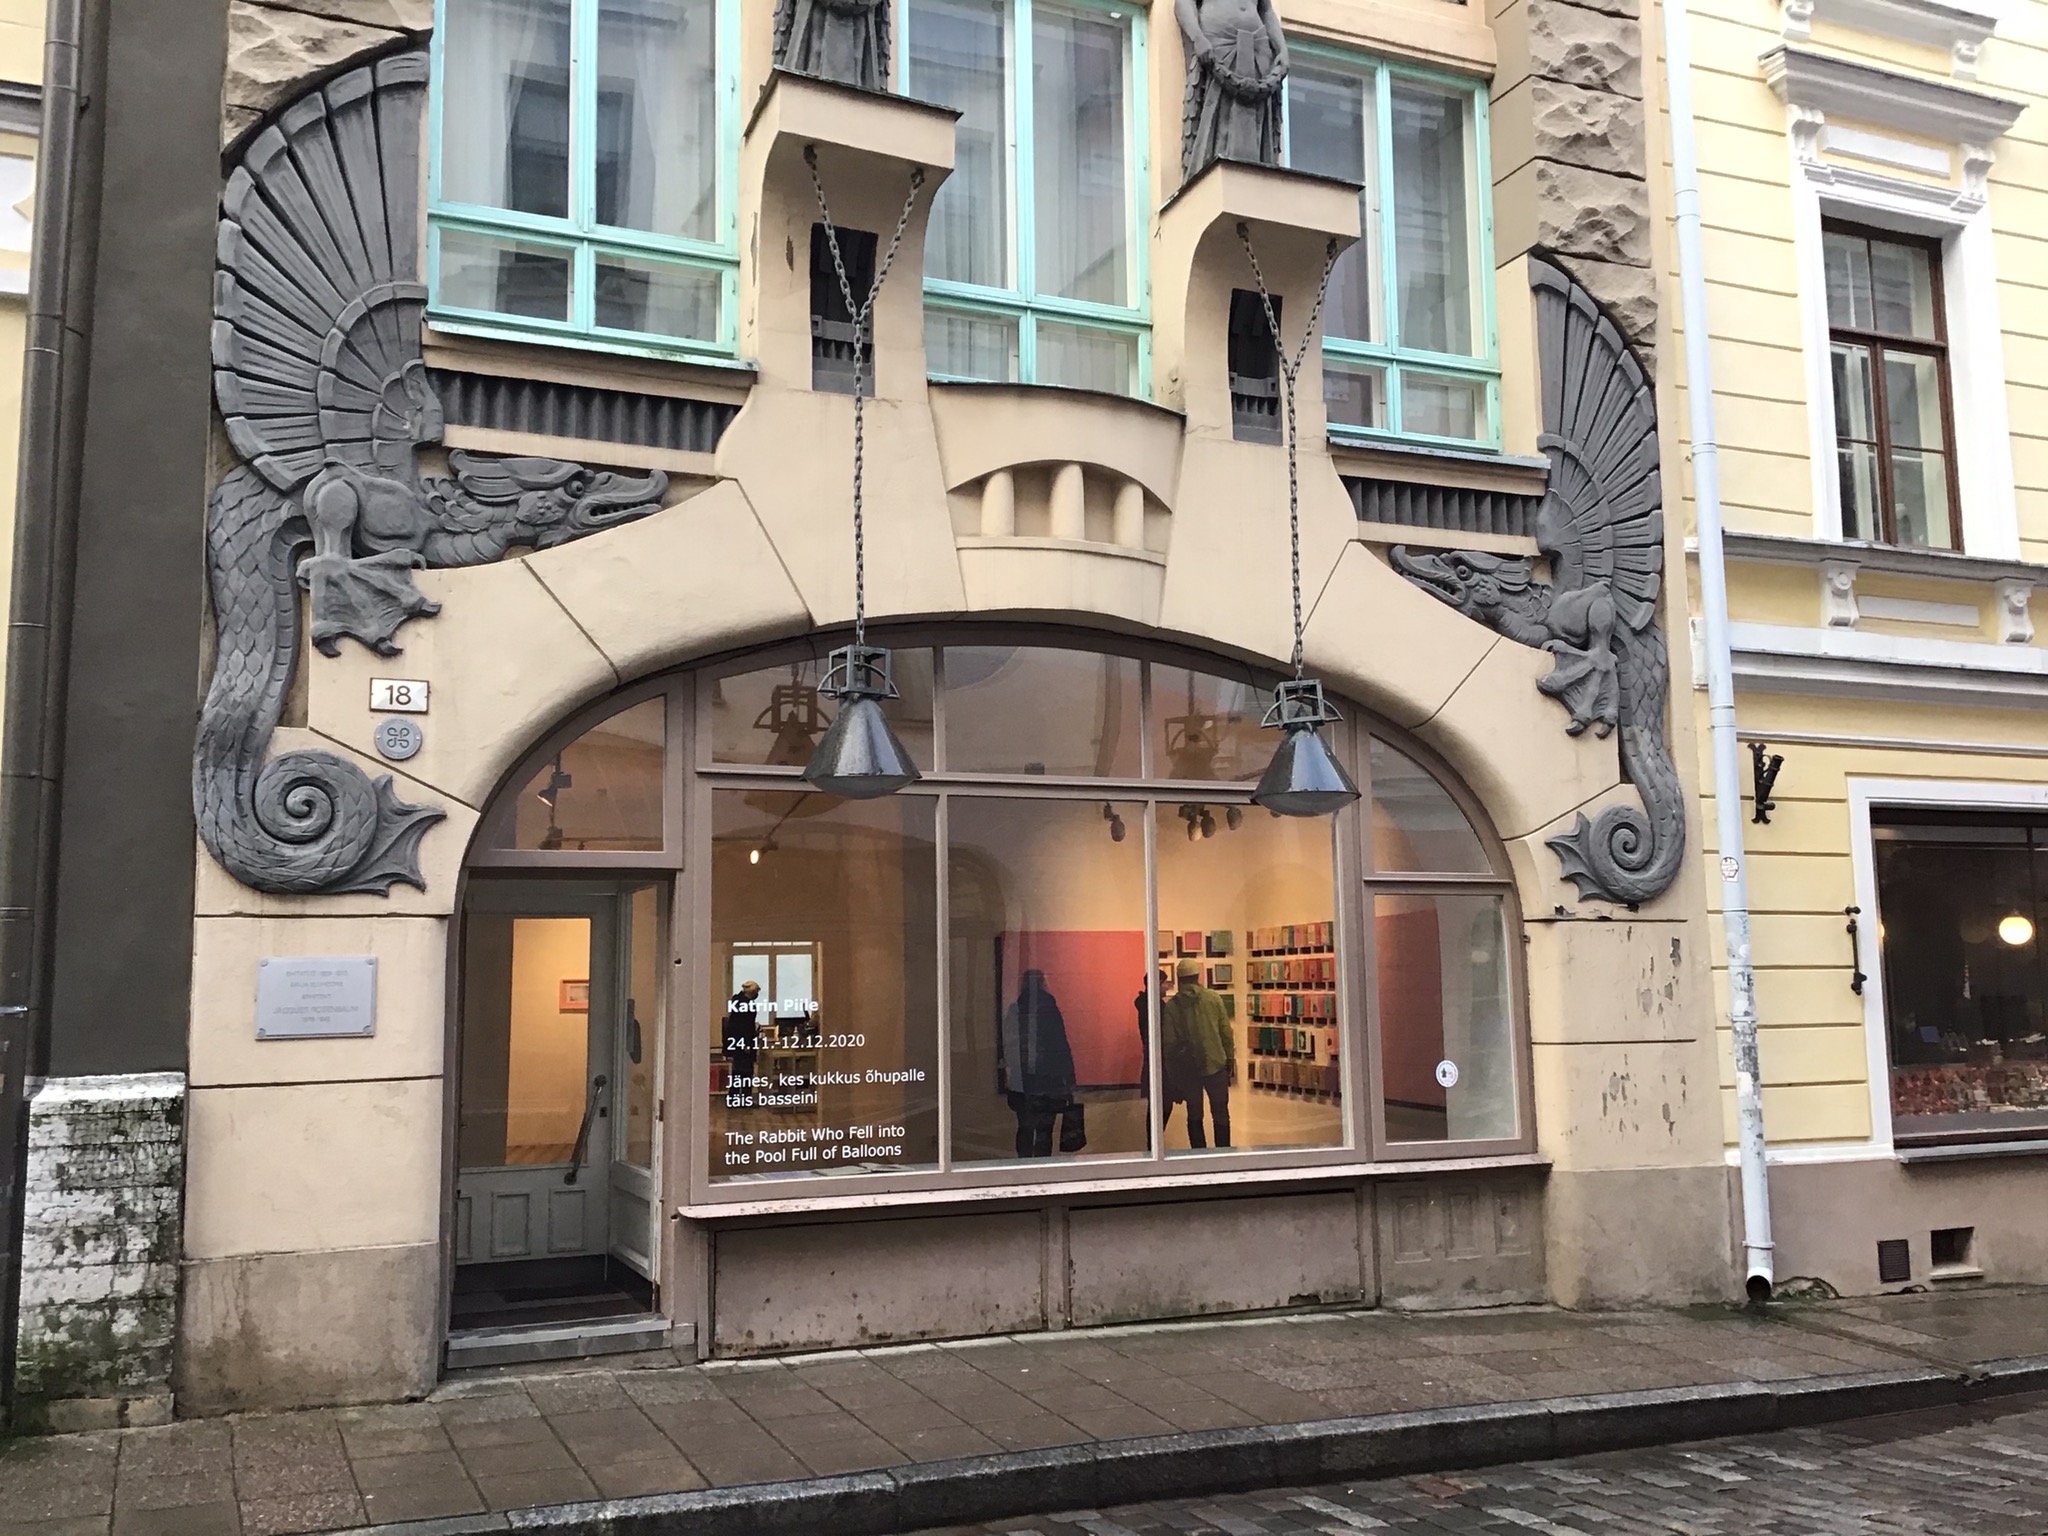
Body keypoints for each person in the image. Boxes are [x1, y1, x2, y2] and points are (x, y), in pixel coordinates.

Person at [1176, 0, 1288, 181]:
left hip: (1258, 49)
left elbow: (1266, 11)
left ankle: (1252, 178)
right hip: (1217, 47)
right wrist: (1197, 37)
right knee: (1216, 117)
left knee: (1254, 123)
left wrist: (1282, 48)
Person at [1000, 969, 1076, 1158]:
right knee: (1045, 1129)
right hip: (1048, 1077)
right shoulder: (1049, 1008)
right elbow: (1059, 1043)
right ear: (1043, 983)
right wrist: (1069, 1074)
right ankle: (1043, 1166)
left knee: (1024, 1127)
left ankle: (1024, 1164)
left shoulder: (1015, 1009)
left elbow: (1009, 1043)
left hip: (1022, 1077)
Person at [1161, 958, 1235, 1148]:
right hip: (1215, 1064)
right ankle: (1223, 1154)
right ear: (1197, 977)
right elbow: (1226, 1033)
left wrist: (1173, 1074)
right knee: (1220, 1113)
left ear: (1179, 978)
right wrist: (1229, 1059)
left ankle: (1198, 1154)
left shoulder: (1172, 1006)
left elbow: (1169, 1044)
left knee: (1194, 1115)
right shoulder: (1213, 998)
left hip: (1188, 1069)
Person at [722, 979, 764, 1090]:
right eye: (756, 992)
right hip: (744, 1043)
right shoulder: (746, 1004)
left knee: (737, 1073)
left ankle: (735, 1096)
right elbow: (743, 1026)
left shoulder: (737, 1002)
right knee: (745, 1073)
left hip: (737, 1043)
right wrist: (746, 1044)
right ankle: (745, 1096)